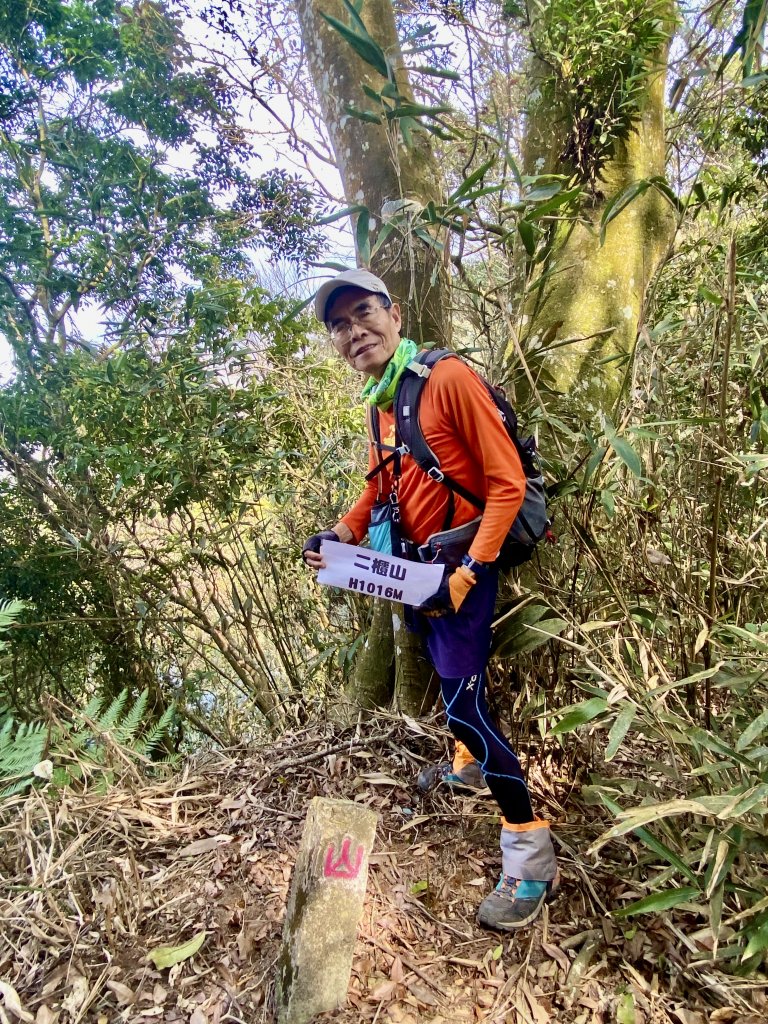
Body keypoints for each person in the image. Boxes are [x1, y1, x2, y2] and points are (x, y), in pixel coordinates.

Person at [302, 269, 559, 930]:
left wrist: (472, 571)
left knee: (465, 706)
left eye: (363, 313)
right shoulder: (379, 398)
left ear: (394, 312)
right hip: (418, 573)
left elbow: (504, 485)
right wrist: (340, 534)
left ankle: (529, 856)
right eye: (339, 325)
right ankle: (469, 767)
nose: (354, 332)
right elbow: (376, 485)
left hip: (461, 571)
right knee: (453, 686)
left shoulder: (446, 380)